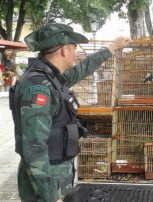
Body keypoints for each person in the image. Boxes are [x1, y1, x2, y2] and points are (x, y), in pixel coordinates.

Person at [9, 23, 132, 202]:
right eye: (74, 48)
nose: (76, 53)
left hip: (56, 177)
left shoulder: (51, 78)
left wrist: (112, 47)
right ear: (64, 50)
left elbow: (82, 70)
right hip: (46, 185)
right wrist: (51, 197)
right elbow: (34, 147)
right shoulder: (38, 88)